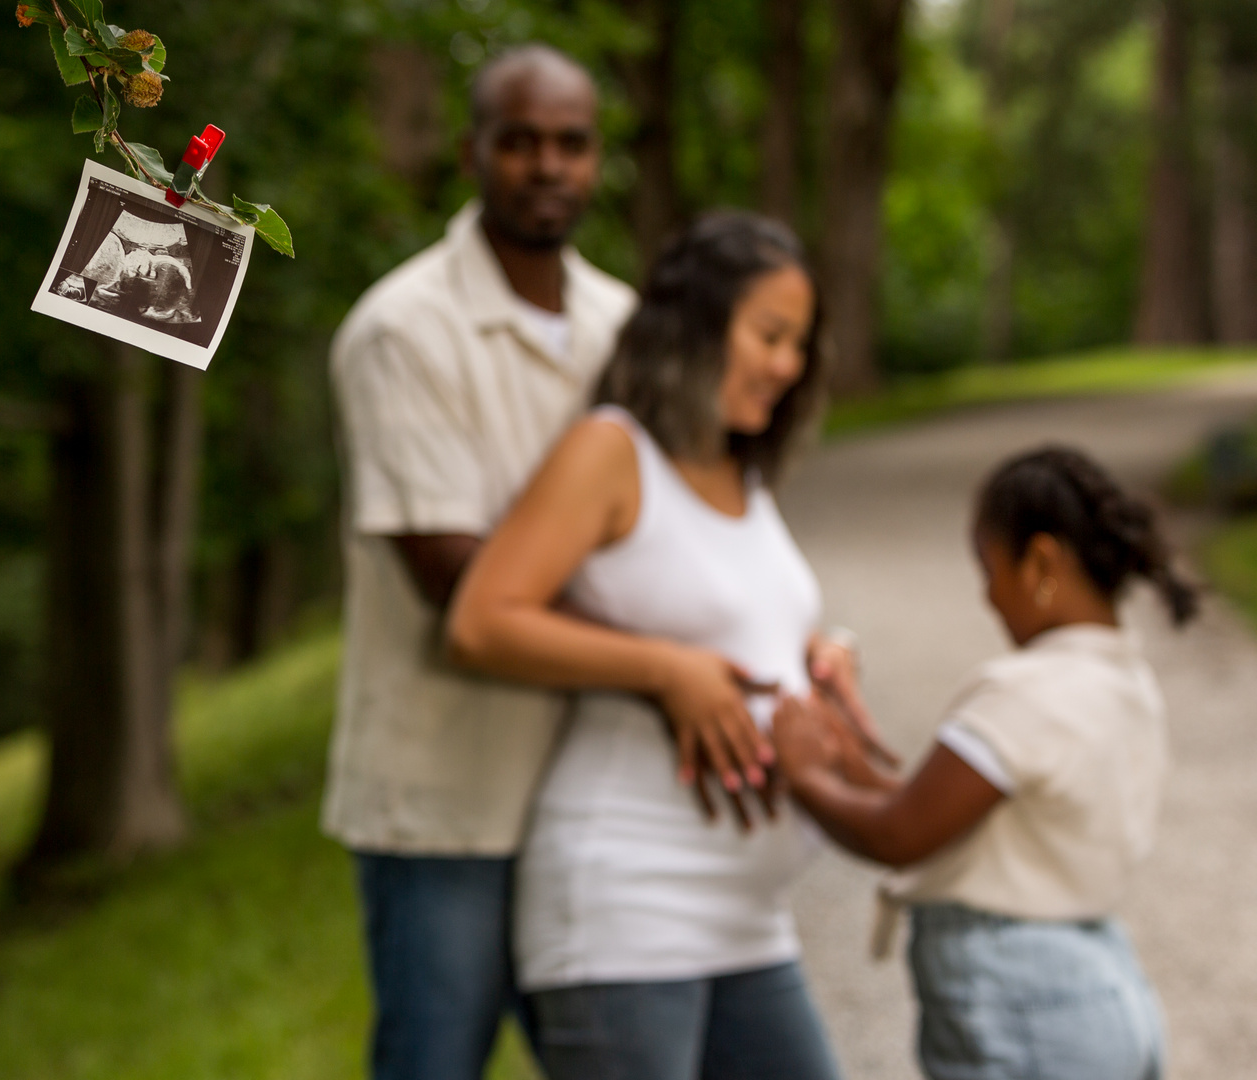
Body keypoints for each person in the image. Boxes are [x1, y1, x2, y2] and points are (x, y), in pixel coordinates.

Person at [448, 211, 884, 1079]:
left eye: (800, 344)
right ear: (696, 325)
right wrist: (666, 671)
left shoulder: (742, 473)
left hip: (745, 916)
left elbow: (738, 623)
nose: (788, 366)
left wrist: (819, 659)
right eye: (770, 335)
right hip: (627, 907)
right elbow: (482, 619)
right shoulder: (612, 452)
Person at [321, 44, 637, 1080]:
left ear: (597, 160)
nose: (548, 166)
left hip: (592, 790)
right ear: (473, 153)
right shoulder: (402, 332)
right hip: (446, 795)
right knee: (435, 1063)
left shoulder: (626, 327)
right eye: (522, 142)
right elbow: (454, 573)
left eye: (571, 144)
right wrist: (670, 658)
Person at [774, 446, 1198, 1080]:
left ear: (1041, 562)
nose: (988, 596)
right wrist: (853, 768)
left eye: (988, 566)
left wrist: (801, 773)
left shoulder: (1027, 690)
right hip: (1106, 988)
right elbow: (958, 816)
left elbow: (901, 833)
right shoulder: (1123, 681)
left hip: (1022, 998)